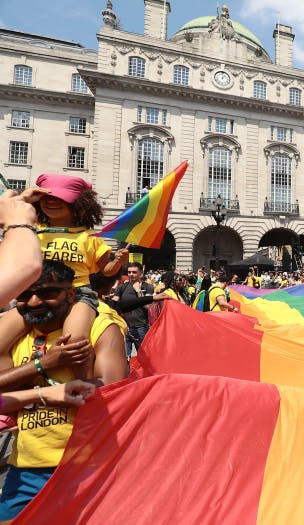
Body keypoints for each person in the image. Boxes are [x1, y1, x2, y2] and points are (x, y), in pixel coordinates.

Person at [0, 260, 127, 520]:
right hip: (26, 469)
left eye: (47, 293)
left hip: (90, 467)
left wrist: (24, 386)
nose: (34, 302)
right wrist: (45, 365)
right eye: (24, 295)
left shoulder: (101, 328)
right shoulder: (15, 338)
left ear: (70, 294)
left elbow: (114, 392)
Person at [0, 174, 130, 379]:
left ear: (79, 205)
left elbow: (106, 270)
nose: (52, 202)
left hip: (78, 295)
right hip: (35, 296)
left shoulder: (88, 237)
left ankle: (83, 385)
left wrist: (118, 262)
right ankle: (16, 387)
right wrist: (23, 201)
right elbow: (9, 220)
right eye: (46, 198)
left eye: (61, 198)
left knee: (75, 340)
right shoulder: (31, 231)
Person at [113, 262, 167, 359]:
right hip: (124, 327)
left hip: (141, 327)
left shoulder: (148, 287)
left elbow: (148, 306)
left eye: (134, 272)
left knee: (144, 358)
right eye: (129, 272)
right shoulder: (122, 287)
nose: (131, 274)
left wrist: (138, 291)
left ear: (141, 273)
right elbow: (114, 305)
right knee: (125, 358)